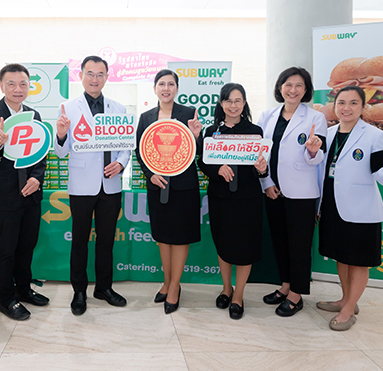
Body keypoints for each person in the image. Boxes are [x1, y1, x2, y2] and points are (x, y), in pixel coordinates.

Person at [314, 86, 383, 331]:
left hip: (361, 210)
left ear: (363, 107)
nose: (346, 108)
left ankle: (348, 310)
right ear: (335, 106)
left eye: (353, 103)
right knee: (341, 256)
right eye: (342, 102)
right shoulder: (328, 133)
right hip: (332, 206)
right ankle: (346, 299)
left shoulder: (374, 135)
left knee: (358, 261)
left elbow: (381, 170)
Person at [54, 55, 131, 316]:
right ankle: (79, 291)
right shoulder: (68, 108)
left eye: (100, 74)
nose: (95, 79)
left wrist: (120, 164)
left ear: (107, 77)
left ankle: (104, 288)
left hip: (111, 185)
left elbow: (125, 147)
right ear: (81, 76)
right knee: (79, 241)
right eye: (90, 73)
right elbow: (61, 152)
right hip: (81, 185)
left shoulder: (118, 109)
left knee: (106, 241)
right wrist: (61, 134)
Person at [0, 63, 49, 321]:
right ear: (1, 86)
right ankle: (6, 299)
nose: (18, 89)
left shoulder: (34, 115)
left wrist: (37, 178)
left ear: (29, 87)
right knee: (6, 249)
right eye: (11, 84)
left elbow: (41, 154)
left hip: (31, 192)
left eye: (23, 84)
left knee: (27, 245)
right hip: (5, 194)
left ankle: (24, 289)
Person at [256, 67, 326, 317]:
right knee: (280, 241)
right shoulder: (267, 115)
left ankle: (296, 294)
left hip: (301, 194)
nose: (293, 90)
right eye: (288, 84)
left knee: (299, 244)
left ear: (306, 90)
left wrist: (312, 150)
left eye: (299, 85)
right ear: (280, 87)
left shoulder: (316, 118)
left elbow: (317, 158)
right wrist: (266, 182)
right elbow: (259, 152)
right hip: (273, 190)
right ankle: (285, 285)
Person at [197, 83, 268, 320]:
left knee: (246, 246)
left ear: (244, 103)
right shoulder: (212, 131)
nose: (233, 105)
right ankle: (226, 288)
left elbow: (261, 168)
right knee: (223, 242)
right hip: (221, 198)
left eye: (238, 100)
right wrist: (217, 169)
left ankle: (239, 294)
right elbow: (203, 162)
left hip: (248, 199)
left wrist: (262, 168)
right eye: (228, 101)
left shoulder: (255, 132)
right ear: (221, 104)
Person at [135, 69, 203, 314]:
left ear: (177, 88)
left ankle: (175, 286)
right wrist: (150, 174)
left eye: (171, 84)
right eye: (161, 84)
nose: (166, 88)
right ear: (155, 88)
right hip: (158, 184)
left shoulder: (188, 113)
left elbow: (198, 151)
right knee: (163, 235)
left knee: (181, 236)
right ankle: (166, 282)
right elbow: (139, 151)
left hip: (184, 185)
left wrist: (197, 136)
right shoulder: (146, 117)